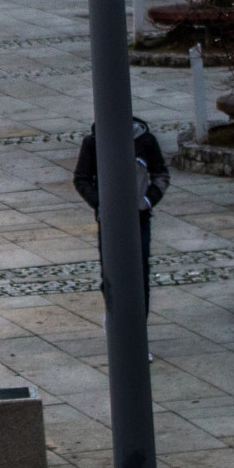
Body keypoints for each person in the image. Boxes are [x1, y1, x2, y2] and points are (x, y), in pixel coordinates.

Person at [73, 117, 169, 319]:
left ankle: (139, 329)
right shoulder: (93, 143)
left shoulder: (146, 141)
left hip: (139, 219)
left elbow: (161, 175)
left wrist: (146, 202)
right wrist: (101, 203)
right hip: (108, 222)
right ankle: (115, 319)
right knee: (110, 275)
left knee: (140, 275)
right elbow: (81, 178)